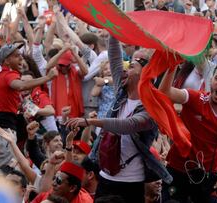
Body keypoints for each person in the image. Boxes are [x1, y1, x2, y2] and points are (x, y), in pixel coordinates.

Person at [65, 35, 171, 203]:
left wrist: (89, 121)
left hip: (131, 182)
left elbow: (126, 125)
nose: (124, 70)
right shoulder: (121, 91)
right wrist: (113, 27)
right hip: (105, 176)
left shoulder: (151, 107)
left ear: (143, 75)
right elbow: (114, 56)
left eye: (131, 67)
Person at [159, 59, 217, 202]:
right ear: (211, 80)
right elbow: (165, 92)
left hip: (206, 177)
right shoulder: (195, 98)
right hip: (177, 169)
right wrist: (172, 64)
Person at [0, 43, 58, 168]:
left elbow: (50, 111)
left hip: (10, 130)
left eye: (20, 55)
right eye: (16, 56)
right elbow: (20, 86)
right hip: (4, 130)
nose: (21, 58)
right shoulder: (8, 74)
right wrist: (48, 77)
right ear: (6, 61)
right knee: (7, 169)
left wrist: (27, 108)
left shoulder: (1, 77)